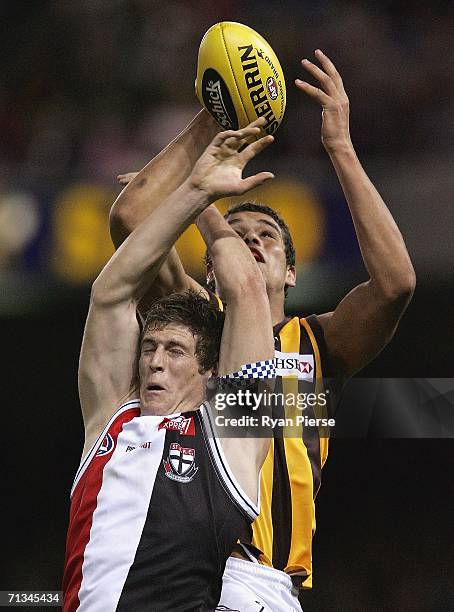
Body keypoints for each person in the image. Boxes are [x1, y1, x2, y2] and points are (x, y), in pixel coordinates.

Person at [110, 50, 415, 611]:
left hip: (267, 583)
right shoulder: (196, 324)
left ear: (292, 273)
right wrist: (207, 149)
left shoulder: (321, 343)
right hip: (180, 560)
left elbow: (395, 283)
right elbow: (129, 218)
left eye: (267, 236)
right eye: (237, 231)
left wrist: (341, 149)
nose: (250, 240)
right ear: (210, 267)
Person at [62, 121, 277, 611]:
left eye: (174, 351)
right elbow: (110, 293)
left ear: (209, 373)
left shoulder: (230, 440)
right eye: (149, 348)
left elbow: (246, 292)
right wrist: (195, 188)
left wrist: (207, 207)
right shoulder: (112, 419)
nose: (154, 362)